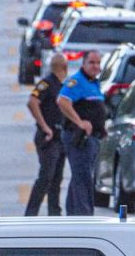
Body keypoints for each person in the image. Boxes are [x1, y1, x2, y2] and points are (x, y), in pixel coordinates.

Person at [56, 49, 107, 216]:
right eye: (91, 62)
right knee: (83, 177)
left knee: (80, 176)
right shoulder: (76, 81)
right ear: (83, 64)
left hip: (93, 138)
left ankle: (73, 216)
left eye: (98, 63)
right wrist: (79, 123)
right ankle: (84, 218)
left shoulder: (94, 83)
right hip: (79, 138)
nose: (95, 66)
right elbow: (62, 101)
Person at [25, 52, 69, 216]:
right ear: (64, 67)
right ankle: (31, 213)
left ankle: (54, 213)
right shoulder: (46, 83)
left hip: (60, 137)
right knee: (46, 176)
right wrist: (44, 127)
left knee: (56, 179)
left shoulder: (61, 85)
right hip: (48, 138)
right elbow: (32, 102)